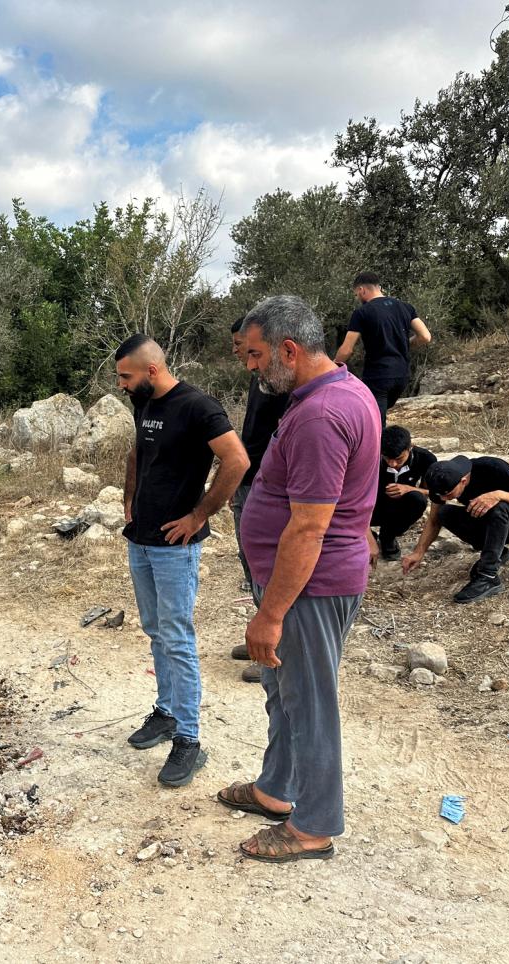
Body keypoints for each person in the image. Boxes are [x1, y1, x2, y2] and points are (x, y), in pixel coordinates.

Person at [215, 295, 379, 863]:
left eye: (257, 354)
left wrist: (271, 613)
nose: (251, 366)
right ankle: (275, 790)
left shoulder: (319, 413)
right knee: (282, 695)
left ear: (289, 348)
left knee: (308, 703)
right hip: (307, 580)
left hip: (310, 586)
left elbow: (309, 527)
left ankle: (313, 826)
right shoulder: (339, 391)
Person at [116, 334, 249, 788]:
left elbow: (237, 460)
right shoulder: (144, 400)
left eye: (126, 376)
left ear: (152, 370)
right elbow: (138, 450)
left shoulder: (198, 406)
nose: (122, 385)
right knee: (156, 631)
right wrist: (129, 498)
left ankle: (189, 741)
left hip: (176, 546)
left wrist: (199, 515)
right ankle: (167, 712)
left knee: (177, 638)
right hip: (142, 538)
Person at [229, 317, 290, 683]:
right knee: (248, 561)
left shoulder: (279, 382)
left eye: (245, 346)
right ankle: (259, 635)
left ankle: (273, 646)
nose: (240, 354)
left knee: (266, 565)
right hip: (246, 476)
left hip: (263, 483)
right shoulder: (259, 378)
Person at [402, 455, 509, 604]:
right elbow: (433, 521)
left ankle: (488, 576)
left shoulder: (493, 467)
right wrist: (418, 552)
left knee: (499, 507)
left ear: (463, 481)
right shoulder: (442, 480)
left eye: (449, 495)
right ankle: (498, 552)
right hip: (497, 527)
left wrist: (498, 495)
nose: (445, 499)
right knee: (443, 513)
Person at [334, 272, 432, 426]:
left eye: (356, 294)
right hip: (402, 375)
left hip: (378, 376)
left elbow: (347, 350)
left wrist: (332, 366)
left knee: (376, 425)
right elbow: (425, 336)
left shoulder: (362, 313)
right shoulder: (406, 307)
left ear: (361, 290)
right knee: (380, 417)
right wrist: (403, 345)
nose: (357, 298)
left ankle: (380, 449)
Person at [371, 425, 436, 561]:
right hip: (372, 506)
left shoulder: (426, 459)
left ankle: (388, 536)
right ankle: (365, 534)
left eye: (399, 459)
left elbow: (434, 492)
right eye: (387, 458)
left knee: (418, 499)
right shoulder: (370, 457)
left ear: (410, 447)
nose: (392, 464)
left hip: (400, 507)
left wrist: (410, 489)